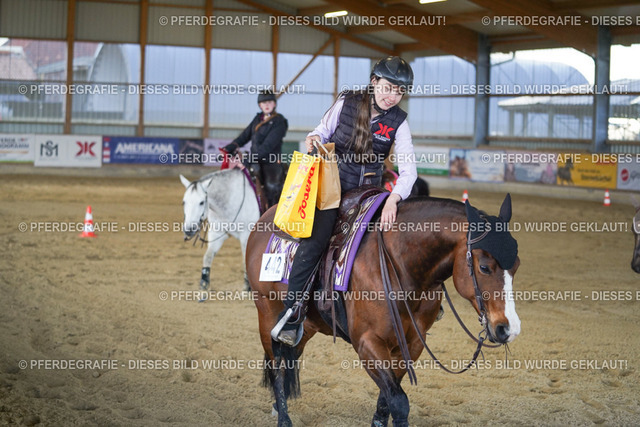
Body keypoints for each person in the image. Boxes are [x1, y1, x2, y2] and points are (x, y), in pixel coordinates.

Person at [271, 56, 418, 346]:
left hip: (370, 194)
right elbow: (321, 131)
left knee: (404, 235)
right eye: (388, 87)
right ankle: (293, 312)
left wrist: (394, 198)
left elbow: (409, 171)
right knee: (316, 241)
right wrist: (313, 138)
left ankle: (419, 300)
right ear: (374, 82)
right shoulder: (347, 102)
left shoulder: (399, 122)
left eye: (399, 91)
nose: (392, 96)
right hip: (331, 189)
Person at [223, 90, 288, 207]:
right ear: (260, 105)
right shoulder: (257, 119)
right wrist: (230, 147)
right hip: (254, 160)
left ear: (274, 104)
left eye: (269, 102)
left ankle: (273, 212)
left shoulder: (279, 121)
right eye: (264, 103)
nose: (266, 105)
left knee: (271, 186)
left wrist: (250, 158)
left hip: (270, 161)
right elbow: (244, 136)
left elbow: (268, 146)